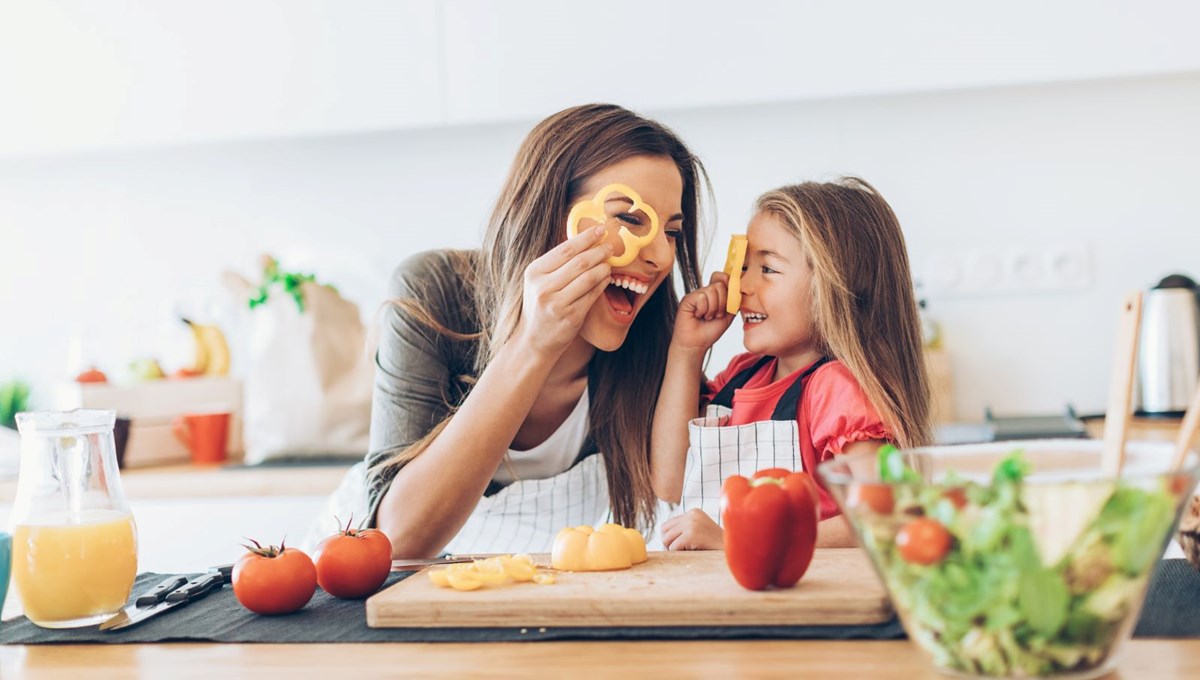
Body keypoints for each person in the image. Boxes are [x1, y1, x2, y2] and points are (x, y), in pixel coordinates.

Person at [364, 104, 710, 558]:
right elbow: (399, 542)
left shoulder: (656, 339)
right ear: (549, 213)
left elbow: (675, 494)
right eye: (629, 220)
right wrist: (533, 344)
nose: (661, 258)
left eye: (672, 232)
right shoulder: (434, 291)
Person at [649, 177, 932, 550]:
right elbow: (670, 482)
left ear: (833, 287)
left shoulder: (836, 389)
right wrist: (686, 351)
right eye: (744, 267)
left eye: (767, 269)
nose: (742, 286)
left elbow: (883, 517)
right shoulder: (741, 376)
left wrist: (741, 541)